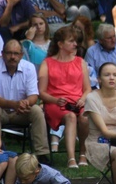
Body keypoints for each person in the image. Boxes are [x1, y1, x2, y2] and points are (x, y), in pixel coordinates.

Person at [0, 40, 51, 164]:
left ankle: (41, 154)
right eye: (9, 53)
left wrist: (25, 103)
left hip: (21, 111)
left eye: (16, 54)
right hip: (1, 110)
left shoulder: (29, 67)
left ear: (21, 55)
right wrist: (14, 104)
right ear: (2, 54)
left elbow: (34, 95)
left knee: (37, 110)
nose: (12, 57)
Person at [38, 26, 91, 169]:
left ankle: (83, 154)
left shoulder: (80, 61)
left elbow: (87, 89)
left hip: (77, 101)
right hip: (55, 103)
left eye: (76, 41)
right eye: (71, 41)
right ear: (60, 44)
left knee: (85, 116)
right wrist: (55, 100)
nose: (75, 44)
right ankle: (71, 158)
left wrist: (83, 99)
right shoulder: (47, 63)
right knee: (71, 117)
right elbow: (41, 92)